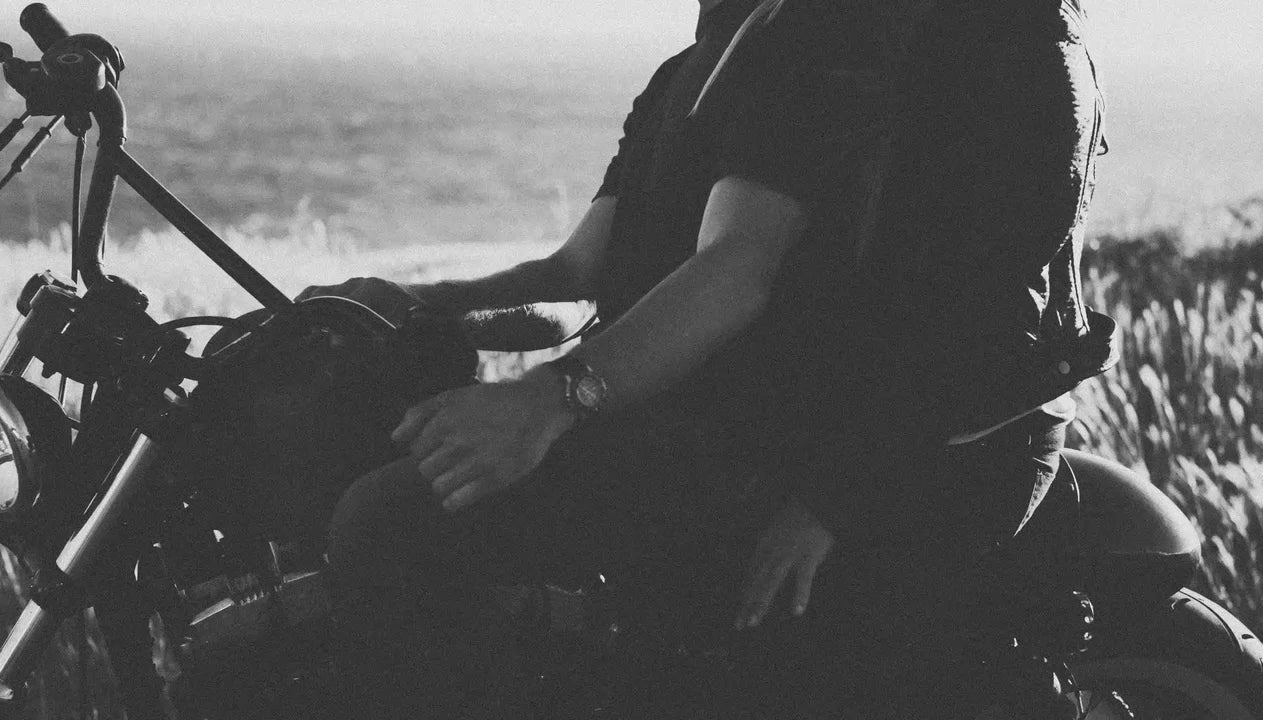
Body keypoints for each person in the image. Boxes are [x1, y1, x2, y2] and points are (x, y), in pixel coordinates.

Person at [306, 0, 1113, 716]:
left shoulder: (881, 46)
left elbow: (756, 272)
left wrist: (832, 497)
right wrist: (413, 307)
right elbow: (578, 275)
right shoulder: (699, 66)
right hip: (768, 422)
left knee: (392, 522)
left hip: (926, 442)